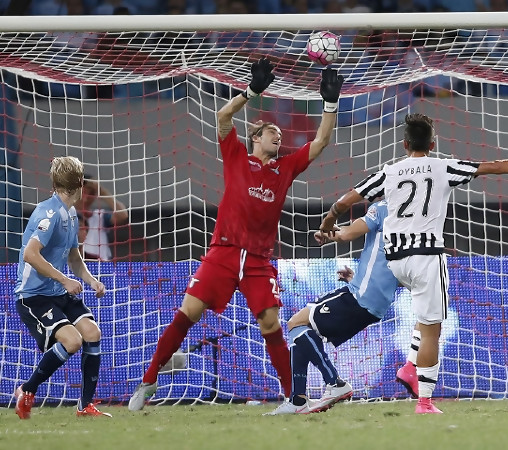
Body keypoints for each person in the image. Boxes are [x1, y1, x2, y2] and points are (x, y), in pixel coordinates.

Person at [128, 58, 344, 411]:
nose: (279, 136)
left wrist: (330, 103)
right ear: (256, 137)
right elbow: (223, 117)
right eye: (272, 132)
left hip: (258, 260)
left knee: (271, 323)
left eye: (279, 134)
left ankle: (294, 398)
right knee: (188, 312)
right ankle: (149, 380)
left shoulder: (285, 168)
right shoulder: (236, 156)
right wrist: (251, 91)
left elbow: (320, 141)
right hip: (223, 253)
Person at [319, 113, 508, 414]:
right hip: (426, 257)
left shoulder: (388, 172)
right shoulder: (444, 167)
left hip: (394, 261)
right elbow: (495, 167)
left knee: (422, 315)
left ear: (405, 144)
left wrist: (328, 222)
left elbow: (344, 202)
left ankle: (410, 364)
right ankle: (424, 401)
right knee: (432, 330)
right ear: (433, 144)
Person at [266, 200, 422, 415]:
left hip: (360, 296)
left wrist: (328, 230)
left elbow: (347, 234)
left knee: (296, 323)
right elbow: (402, 276)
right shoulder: (415, 223)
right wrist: (358, 278)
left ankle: (334, 383)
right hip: (375, 305)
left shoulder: (383, 207)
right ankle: (297, 399)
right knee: (303, 331)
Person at [14, 156, 110, 419]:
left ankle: (85, 406)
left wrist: (91, 281)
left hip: (57, 292)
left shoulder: (70, 213)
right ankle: (27, 389)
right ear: (79, 182)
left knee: (92, 332)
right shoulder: (49, 213)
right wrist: (64, 280)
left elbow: (74, 258)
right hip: (34, 296)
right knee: (72, 341)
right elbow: (30, 254)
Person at [75, 174, 128, 261]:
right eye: (83, 193)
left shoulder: (99, 216)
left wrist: (101, 191)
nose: (86, 198)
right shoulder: (66, 215)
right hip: (75, 265)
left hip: (101, 265)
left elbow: (122, 215)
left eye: (91, 193)